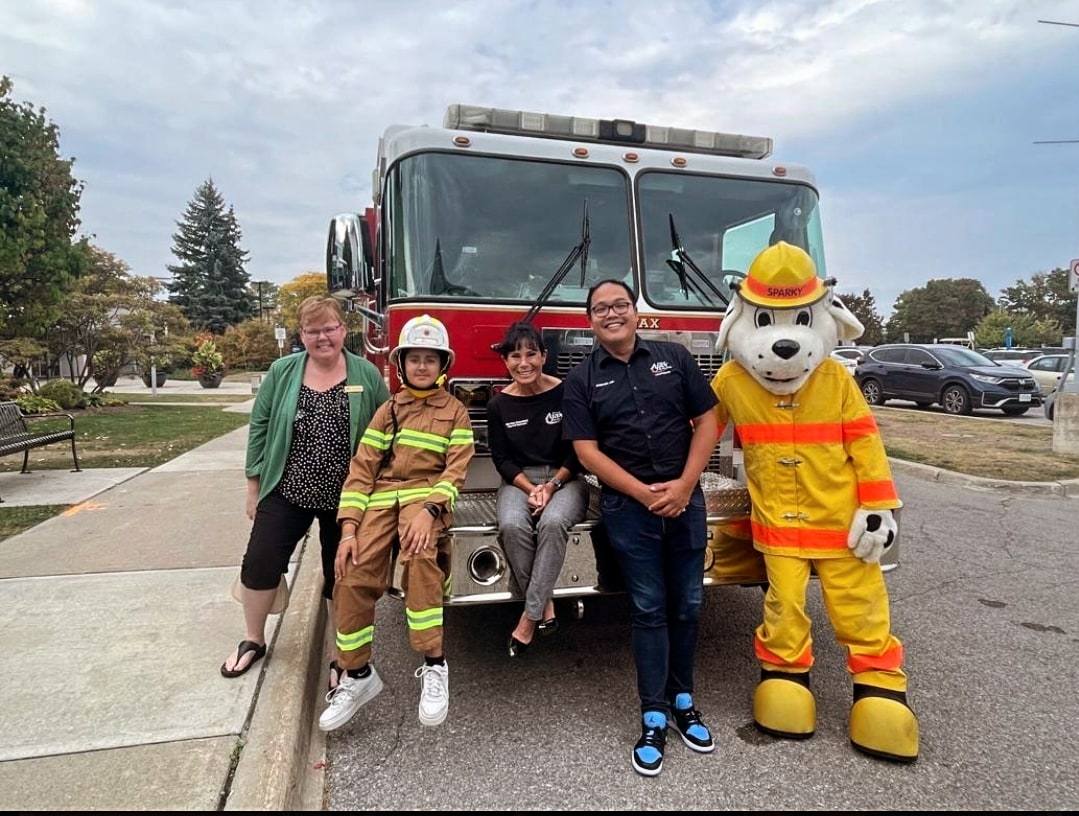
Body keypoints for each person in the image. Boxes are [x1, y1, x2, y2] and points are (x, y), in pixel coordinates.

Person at [562, 279, 719, 777]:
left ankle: (684, 701)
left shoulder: (674, 358)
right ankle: (653, 714)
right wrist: (643, 493)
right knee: (648, 607)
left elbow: (710, 421)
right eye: (600, 309)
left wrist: (683, 486)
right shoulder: (581, 379)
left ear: (636, 312)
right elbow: (587, 453)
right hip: (630, 510)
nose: (612, 314)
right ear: (590, 320)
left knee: (688, 604)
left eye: (620, 305)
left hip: (685, 501)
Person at [319, 314, 475, 732]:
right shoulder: (388, 411)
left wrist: (431, 511)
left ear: (443, 366)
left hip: (425, 499)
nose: (422, 366)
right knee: (349, 574)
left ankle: (435, 664)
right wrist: (349, 529)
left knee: (420, 557)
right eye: (414, 358)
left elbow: (455, 471)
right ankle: (357, 675)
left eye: (431, 359)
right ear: (401, 364)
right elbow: (362, 469)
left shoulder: (456, 413)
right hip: (381, 499)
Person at [221, 296, 389, 680]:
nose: (322, 337)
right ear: (302, 335)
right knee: (260, 563)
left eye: (329, 328)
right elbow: (260, 428)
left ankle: (340, 656)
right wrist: (253, 487)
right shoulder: (282, 372)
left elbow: (385, 431)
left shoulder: (366, 374)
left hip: (346, 499)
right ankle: (253, 638)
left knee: (341, 575)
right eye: (313, 330)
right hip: (286, 490)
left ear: (343, 330)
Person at [488, 321, 589, 658]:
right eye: (515, 355)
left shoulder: (567, 392)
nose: (523, 362)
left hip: (567, 478)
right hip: (519, 481)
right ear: (506, 362)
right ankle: (543, 603)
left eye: (531, 353)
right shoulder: (498, 406)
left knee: (552, 523)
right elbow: (501, 460)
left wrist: (553, 485)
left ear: (544, 356)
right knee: (512, 525)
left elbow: (578, 450)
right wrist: (532, 488)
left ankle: (529, 619)